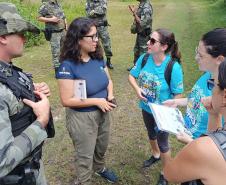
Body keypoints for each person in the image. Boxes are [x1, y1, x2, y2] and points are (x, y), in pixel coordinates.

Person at [56, 17, 118, 185]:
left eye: (97, 35)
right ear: (78, 39)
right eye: (92, 37)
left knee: (101, 146)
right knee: (85, 154)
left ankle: (99, 168)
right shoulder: (67, 66)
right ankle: (84, 180)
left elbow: (108, 80)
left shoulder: (98, 57)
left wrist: (110, 95)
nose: (96, 40)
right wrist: (97, 101)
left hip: (103, 111)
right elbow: (66, 100)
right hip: (82, 117)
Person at [0, 2, 52, 185]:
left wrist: (32, 91)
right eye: (20, 33)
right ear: (3, 37)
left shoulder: (7, 70)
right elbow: (2, 161)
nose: (24, 39)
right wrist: (41, 120)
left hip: (29, 169)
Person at [128, 28, 184, 185]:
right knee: (150, 132)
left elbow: (178, 94)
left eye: (152, 41)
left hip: (162, 114)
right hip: (146, 108)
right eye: (149, 39)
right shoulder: (145, 58)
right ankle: (155, 154)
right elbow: (132, 76)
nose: (148, 43)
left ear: (164, 46)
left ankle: (166, 173)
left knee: (163, 143)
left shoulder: (173, 67)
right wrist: (137, 89)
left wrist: (167, 114)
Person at [163, 60, 226, 185]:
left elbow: (169, 174)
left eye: (214, 84)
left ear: (224, 96)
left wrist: (192, 144)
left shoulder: (201, 149)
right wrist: (213, 114)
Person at [163, 28, 226, 143]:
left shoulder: (222, 95)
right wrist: (177, 102)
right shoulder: (209, 73)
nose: (196, 58)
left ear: (219, 60)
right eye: (197, 51)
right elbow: (198, 99)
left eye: (201, 55)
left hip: (202, 151)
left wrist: (191, 142)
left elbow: (220, 150)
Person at [37, 0, 67, 75]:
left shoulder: (58, 4)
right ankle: (58, 71)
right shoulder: (45, 5)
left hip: (62, 31)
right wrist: (51, 20)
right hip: (54, 33)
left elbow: (63, 16)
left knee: (64, 50)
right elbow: (39, 17)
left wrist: (66, 25)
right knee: (56, 52)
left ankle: (64, 67)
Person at [86, 0, 114, 69]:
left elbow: (103, 11)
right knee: (93, 44)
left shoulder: (103, 0)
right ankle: (95, 61)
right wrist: (96, 12)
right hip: (93, 27)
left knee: (107, 44)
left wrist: (94, 11)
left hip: (102, 27)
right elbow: (88, 13)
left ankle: (108, 61)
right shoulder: (89, 1)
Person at [127, 0, 153, 71]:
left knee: (143, 53)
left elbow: (142, 23)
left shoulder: (146, 7)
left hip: (144, 35)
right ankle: (136, 67)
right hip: (140, 33)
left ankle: (143, 69)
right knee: (136, 51)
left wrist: (134, 13)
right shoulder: (142, 4)